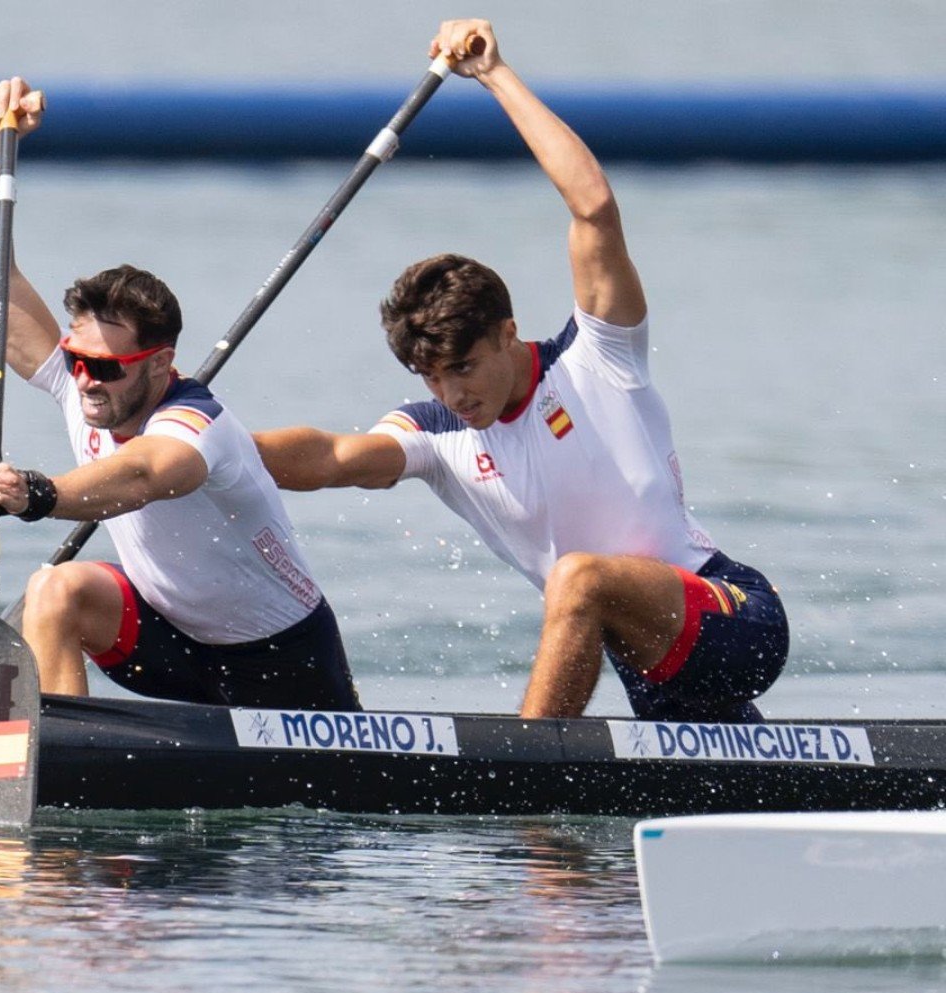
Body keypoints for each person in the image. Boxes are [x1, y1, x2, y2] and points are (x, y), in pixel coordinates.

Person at [255, 20, 788, 722]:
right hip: (645, 662)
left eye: (465, 368)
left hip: (734, 615)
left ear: (508, 332)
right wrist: (191, 447)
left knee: (578, 578)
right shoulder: (438, 433)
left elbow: (593, 206)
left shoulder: (598, 354)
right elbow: (330, 457)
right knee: (726, 801)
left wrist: (495, 74)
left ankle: (523, 791)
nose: (452, 393)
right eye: (431, 377)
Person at [0, 76, 359, 712]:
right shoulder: (80, 379)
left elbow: (144, 473)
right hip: (169, 639)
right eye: (79, 360)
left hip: (281, 659)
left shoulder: (199, 425)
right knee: (53, 590)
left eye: (108, 367)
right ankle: (67, 747)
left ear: (160, 362)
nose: (86, 378)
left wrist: (37, 493)